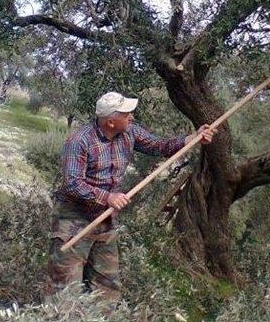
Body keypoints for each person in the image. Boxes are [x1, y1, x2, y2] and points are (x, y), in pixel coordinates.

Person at [43, 91, 216, 303]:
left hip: (105, 222)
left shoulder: (129, 132)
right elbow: (72, 183)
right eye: (126, 114)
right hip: (72, 222)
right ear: (111, 121)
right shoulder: (79, 141)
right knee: (64, 291)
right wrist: (107, 197)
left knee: (107, 289)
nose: (131, 117)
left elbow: (159, 146)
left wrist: (194, 138)